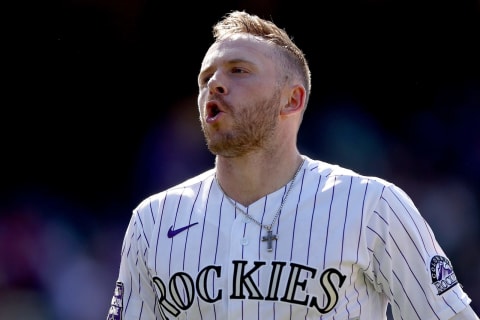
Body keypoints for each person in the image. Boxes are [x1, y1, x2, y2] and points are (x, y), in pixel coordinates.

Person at [106, 10, 479, 320]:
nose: (215, 84)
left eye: (238, 70)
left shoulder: (372, 206)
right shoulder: (153, 220)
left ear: (292, 100)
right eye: (206, 77)